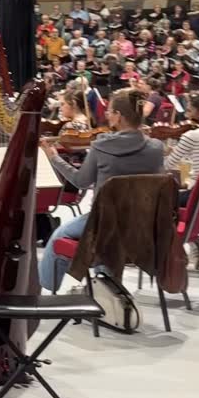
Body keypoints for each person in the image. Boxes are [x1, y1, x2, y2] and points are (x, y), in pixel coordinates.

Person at [39, 89, 164, 292]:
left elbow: (80, 181)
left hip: (104, 223)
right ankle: (105, 285)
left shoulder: (101, 146)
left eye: (110, 111)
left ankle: (49, 289)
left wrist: (54, 158)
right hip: (143, 226)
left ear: (119, 116)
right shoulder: (156, 148)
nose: (107, 115)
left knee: (58, 237)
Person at [165, 94, 199, 202]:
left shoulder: (192, 135)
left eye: (189, 111)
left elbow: (167, 165)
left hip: (195, 195)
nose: (186, 116)